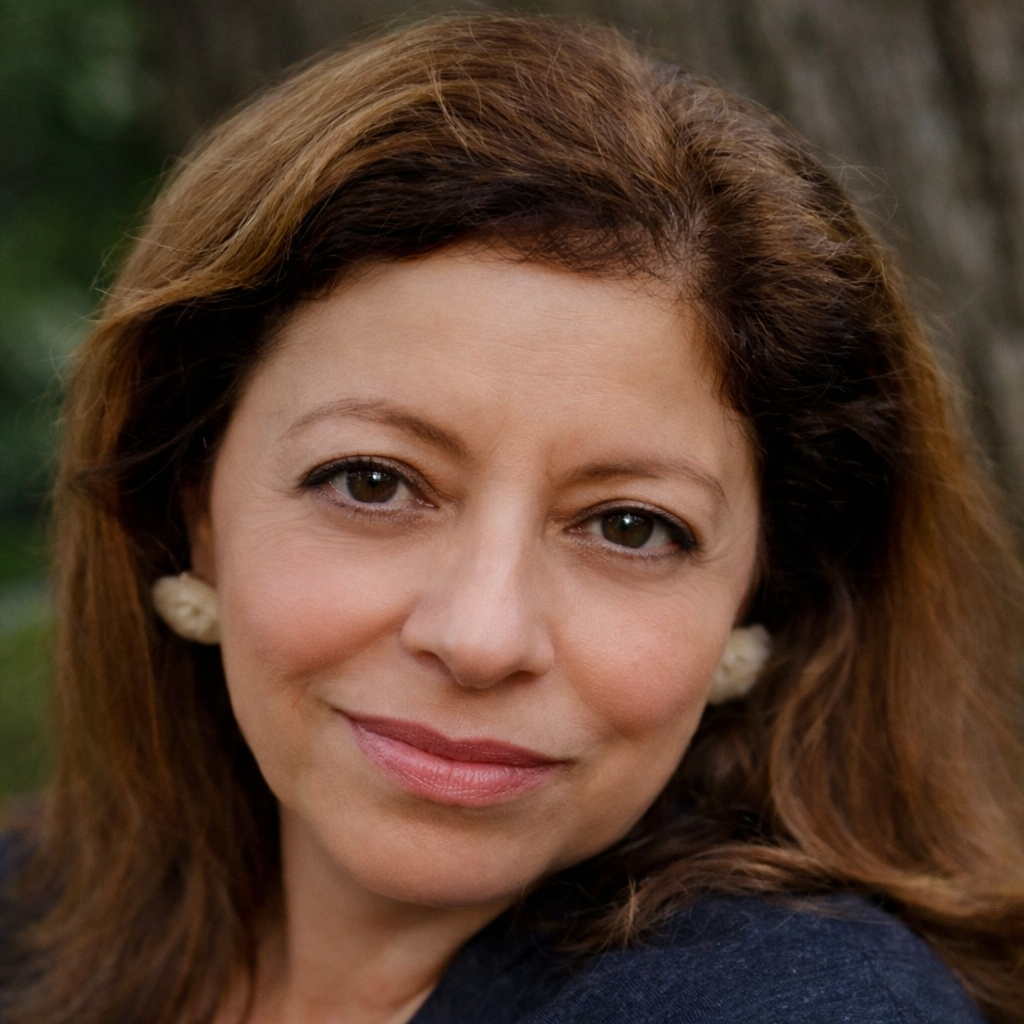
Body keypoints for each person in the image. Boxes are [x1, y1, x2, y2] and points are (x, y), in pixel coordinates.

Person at [1, 12, 1022, 1024]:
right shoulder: (26, 909)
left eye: (629, 526)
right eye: (372, 482)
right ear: (196, 508)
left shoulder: (794, 1003)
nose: (480, 637)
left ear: (760, 596)